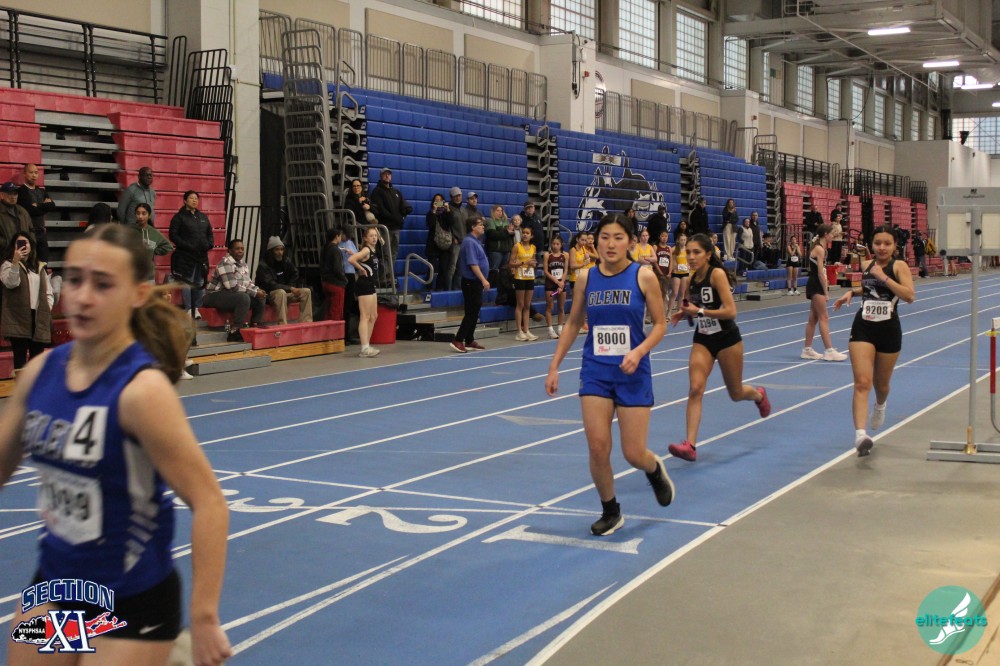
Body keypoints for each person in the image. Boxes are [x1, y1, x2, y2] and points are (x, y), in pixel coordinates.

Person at [0, 223, 231, 666]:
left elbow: (210, 502)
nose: (83, 297)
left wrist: (204, 616)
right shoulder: (40, 374)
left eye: (103, 285)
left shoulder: (142, 392)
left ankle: (170, 647)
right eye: (75, 280)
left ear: (138, 294)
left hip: (130, 602)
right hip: (57, 587)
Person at [544, 213, 674, 536]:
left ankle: (653, 468)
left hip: (633, 371)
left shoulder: (643, 276)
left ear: (630, 242)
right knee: (598, 446)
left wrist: (638, 351)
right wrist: (555, 365)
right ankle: (610, 510)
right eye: (604, 237)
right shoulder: (586, 278)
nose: (611, 244)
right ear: (595, 241)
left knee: (633, 453)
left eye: (618, 237)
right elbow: (574, 323)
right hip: (596, 370)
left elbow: (660, 325)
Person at [667, 234, 771, 462]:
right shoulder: (691, 279)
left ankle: (758, 395)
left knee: (736, 393)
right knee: (695, 388)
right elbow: (695, 305)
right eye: (688, 252)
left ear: (708, 254)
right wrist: (684, 311)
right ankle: (690, 445)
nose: (691, 257)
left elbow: (731, 311)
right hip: (703, 338)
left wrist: (699, 312)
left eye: (696, 252)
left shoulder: (717, 274)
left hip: (726, 338)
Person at [833, 225, 915, 456]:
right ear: (872, 244)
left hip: (888, 329)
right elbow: (870, 288)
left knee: (882, 384)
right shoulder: (867, 264)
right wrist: (852, 292)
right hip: (864, 327)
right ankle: (861, 435)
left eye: (887, 243)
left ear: (895, 245)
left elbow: (909, 296)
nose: (881, 247)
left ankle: (880, 405)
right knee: (862, 382)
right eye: (878, 243)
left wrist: (884, 277)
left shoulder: (899, 266)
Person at [1, 232, 52, 371]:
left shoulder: (39, 266)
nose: (23, 246)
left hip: (38, 316)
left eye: (26, 242)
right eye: (19, 243)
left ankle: (35, 384)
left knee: (37, 358)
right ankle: (20, 383)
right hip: (18, 317)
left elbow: (48, 291)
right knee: (20, 357)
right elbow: (11, 283)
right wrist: (15, 262)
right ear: (14, 247)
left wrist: (47, 307)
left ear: (31, 245)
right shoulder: (7, 264)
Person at [203, 238, 266, 341]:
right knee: (244, 298)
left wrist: (258, 290)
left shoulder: (243, 264)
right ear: (230, 251)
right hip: (214, 295)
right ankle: (235, 331)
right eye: (237, 249)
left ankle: (255, 325)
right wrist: (254, 292)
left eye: (242, 249)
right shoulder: (225, 263)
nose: (240, 251)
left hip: (230, 294)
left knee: (260, 296)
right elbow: (232, 286)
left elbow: (248, 283)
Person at [801, 225, 848, 362]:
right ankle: (829, 350)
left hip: (814, 283)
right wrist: (826, 291)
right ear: (825, 235)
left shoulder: (821, 248)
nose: (833, 236)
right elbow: (820, 273)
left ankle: (807, 350)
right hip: (816, 284)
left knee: (813, 318)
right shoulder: (819, 249)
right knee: (824, 317)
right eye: (832, 234)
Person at [169, 191, 213, 319]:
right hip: (186, 256)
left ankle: (198, 308)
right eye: (191, 198)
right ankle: (189, 308)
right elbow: (173, 235)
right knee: (187, 282)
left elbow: (209, 233)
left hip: (202, 256)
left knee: (200, 281)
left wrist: (209, 244)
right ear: (185, 200)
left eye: (196, 198)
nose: (194, 200)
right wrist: (187, 246)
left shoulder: (203, 217)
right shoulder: (179, 217)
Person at [450, 215, 491, 353]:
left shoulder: (476, 241)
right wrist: (483, 279)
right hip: (471, 282)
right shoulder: (469, 242)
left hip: (475, 282)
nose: (483, 226)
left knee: (475, 310)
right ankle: (458, 339)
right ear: (473, 227)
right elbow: (473, 264)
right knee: (471, 311)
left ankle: (469, 339)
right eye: (480, 224)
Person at [256, 236, 314, 325]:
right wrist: (290, 288)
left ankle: (306, 322)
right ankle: (282, 323)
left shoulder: (285, 261)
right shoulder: (263, 266)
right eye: (277, 250)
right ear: (271, 251)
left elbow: (295, 272)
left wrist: (291, 285)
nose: (280, 252)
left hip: (285, 291)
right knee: (281, 292)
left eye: (282, 249)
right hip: (269, 295)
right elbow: (271, 284)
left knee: (306, 292)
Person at [349, 226, 382, 358]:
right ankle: (364, 348)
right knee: (365, 316)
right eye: (371, 236)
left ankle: (367, 344)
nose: (374, 238)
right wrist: (360, 269)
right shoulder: (366, 249)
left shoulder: (373, 250)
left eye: (375, 236)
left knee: (374, 316)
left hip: (371, 285)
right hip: (364, 285)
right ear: (365, 238)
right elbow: (351, 260)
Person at [368, 167, 411, 263]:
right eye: (385, 174)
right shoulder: (377, 191)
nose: (387, 176)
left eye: (389, 174)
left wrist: (406, 211)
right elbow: (381, 210)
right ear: (381, 176)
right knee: (385, 254)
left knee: (394, 253)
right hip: (385, 228)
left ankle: (390, 272)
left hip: (396, 228)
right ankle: (385, 273)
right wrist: (396, 218)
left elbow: (403, 205)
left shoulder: (395, 191)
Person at [17, 164, 55, 263]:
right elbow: (30, 210)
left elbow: (52, 205)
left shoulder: (41, 191)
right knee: (26, 262)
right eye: (31, 172)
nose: (34, 175)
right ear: (24, 174)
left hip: (41, 232)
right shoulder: (20, 191)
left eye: (36, 173)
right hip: (26, 232)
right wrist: (43, 205)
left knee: (43, 262)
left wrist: (37, 205)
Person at [510, 225, 538, 341]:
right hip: (520, 277)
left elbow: (534, 262)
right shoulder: (517, 246)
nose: (525, 235)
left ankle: (526, 330)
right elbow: (511, 263)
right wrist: (523, 263)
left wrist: (533, 264)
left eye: (527, 233)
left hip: (530, 276)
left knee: (527, 305)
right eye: (524, 233)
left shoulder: (533, 247)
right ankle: (519, 332)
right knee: (520, 304)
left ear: (531, 236)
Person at [134, 203, 173, 279]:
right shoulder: (129, 230)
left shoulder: (154, 232)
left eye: (144, 213)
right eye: (138, 213)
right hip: (131, 274)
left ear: (149, 215)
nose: (140, 216)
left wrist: (152, 250)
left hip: (148, 275)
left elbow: (169, 247)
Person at [320, 226, 348, 322]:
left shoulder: (324, 248)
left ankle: (327, 330)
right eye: (340, 236)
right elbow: (338, 269)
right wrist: (344, 280)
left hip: (325, 282)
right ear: (337, 236)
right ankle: (335, 331)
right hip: (336, 284)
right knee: (336, 310)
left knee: (328, 309)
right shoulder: (335, 250)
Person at [543, 233, 568, 339]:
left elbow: (566, 270)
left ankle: (560, 329)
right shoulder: (547, 255)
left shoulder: (565, 255)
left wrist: (562, 283)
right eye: (553, 244)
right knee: (550, 306)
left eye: (557, 244)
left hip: (561, 286)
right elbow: (545, 271)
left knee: (561, 307)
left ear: (561, 244)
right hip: (551, 285)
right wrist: (557, 282)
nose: (555, 246)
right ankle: (550, 330)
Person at [339, 231, 361, 345]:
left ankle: (349, 335)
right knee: (344, 306)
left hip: (351, 274)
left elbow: (357, 256)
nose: (346, 238)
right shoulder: (337, 245)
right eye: (345, 236)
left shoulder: (350, 243)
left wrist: (352, 253)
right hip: (343, 274)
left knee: (350, 304)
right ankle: (343, 336)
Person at [0, 181, 34, 252]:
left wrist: (30, 245)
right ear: (2, 195)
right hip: (4, 255)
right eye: (10, 193)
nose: (13, 196)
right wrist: (7, 245)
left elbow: (31, 230)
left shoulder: (23, 211)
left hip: (24, 254)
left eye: (15, 193)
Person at [484, 205, 515, 273]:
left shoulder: (506, 221)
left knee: (504, 271)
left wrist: (511, 232)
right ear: (493, 212)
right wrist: (507, 232)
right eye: (497, 210)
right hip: (496, 251)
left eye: (501, 211)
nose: (500, 212)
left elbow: (510, 235)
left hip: (506, 250)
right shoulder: (490, 221)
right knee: (494, 270)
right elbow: (493, 234)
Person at [666, 233, 689, 315]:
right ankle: (669, 312)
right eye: (682, 240)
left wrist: (688, 265)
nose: (683, 241)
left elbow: (690, 259)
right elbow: (669, 259)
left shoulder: (687, 249)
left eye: (685, 240)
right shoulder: (674, 249)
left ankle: (679, 312)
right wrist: (672, 266)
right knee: (675, 292)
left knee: (682, 293)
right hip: (676, 273)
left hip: (685, 273)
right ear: (678, 240)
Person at [653, 230, 672, 315]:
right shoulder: (656, 247)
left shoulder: (669, 248)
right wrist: (659, 271)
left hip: (666, 273)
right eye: (663, 236)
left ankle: (661, 312)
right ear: (659, 237)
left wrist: (670, 272)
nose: (664, 238)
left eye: (666, 236)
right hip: (658, 273)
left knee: (664, 293)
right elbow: (654, 261)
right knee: (657, 293)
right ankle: (654, 313)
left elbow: (671, 261)